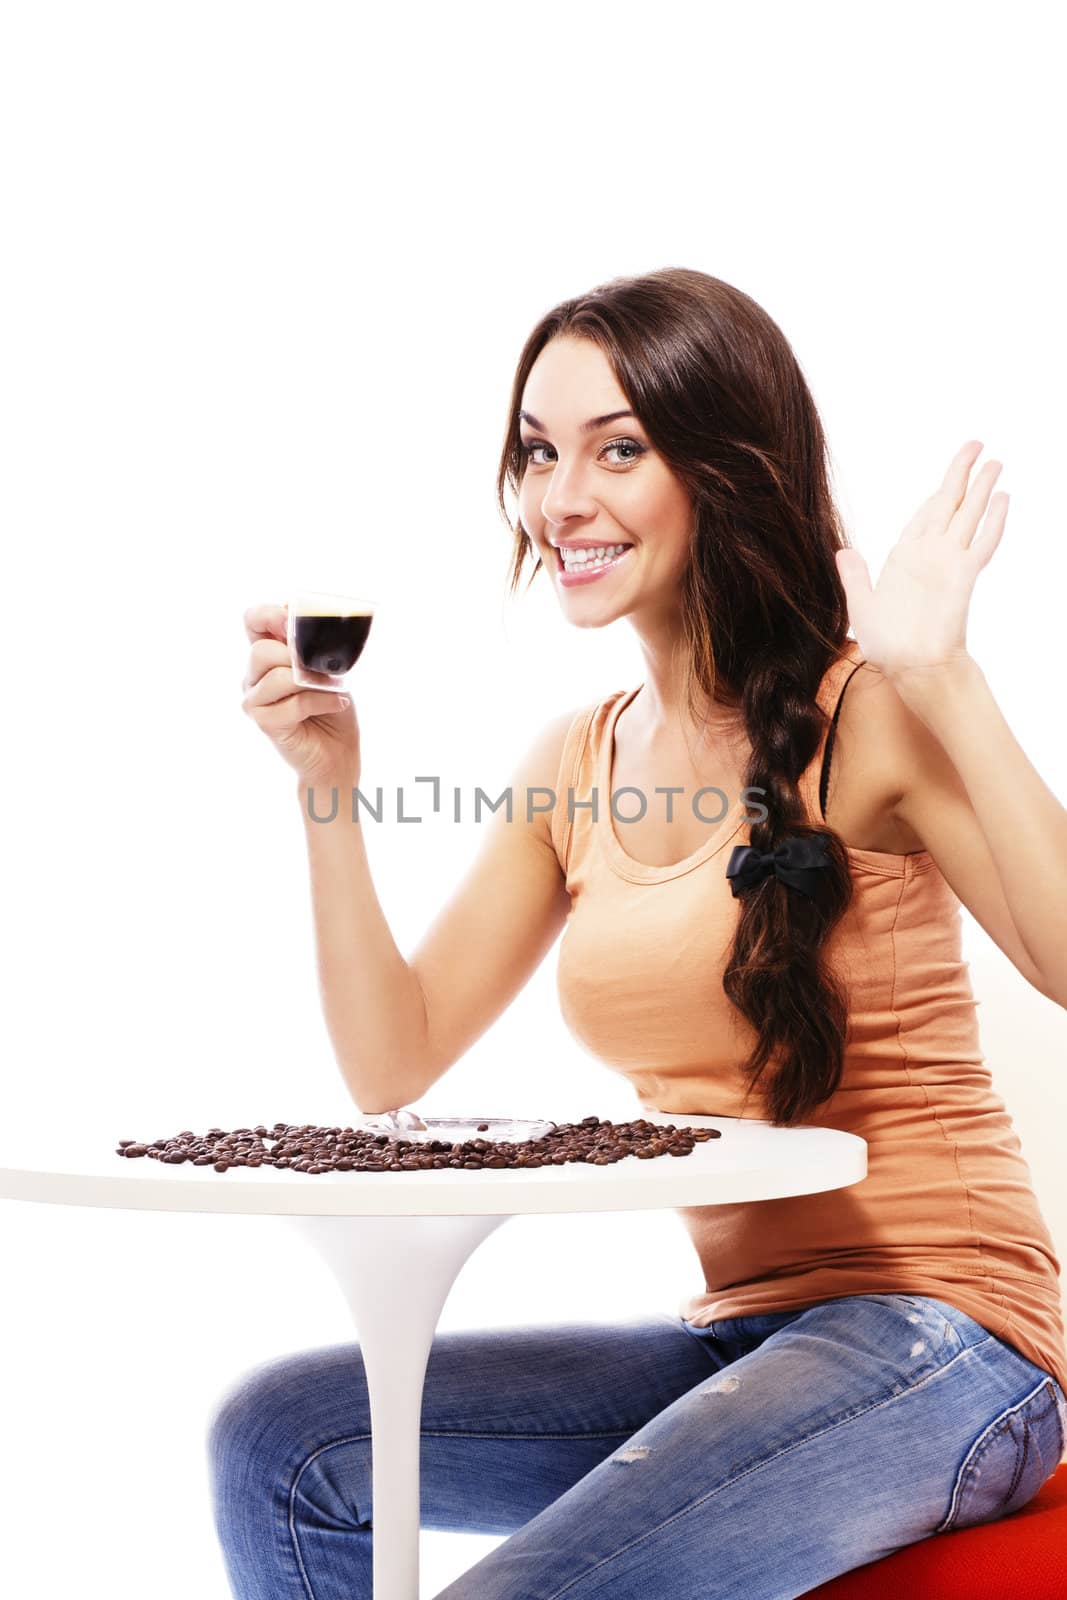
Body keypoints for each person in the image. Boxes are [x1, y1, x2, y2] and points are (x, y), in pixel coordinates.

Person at [209, 267, 1067, 1599]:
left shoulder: (868, 717)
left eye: (618, 448)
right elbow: (394, 1060)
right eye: (540, 452)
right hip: (742, 1340)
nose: (562, 498)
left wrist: (945, 677)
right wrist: (330, 783)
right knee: (282, 1438)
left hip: (946, 1345)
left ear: (722, 468)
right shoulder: (580, 762)